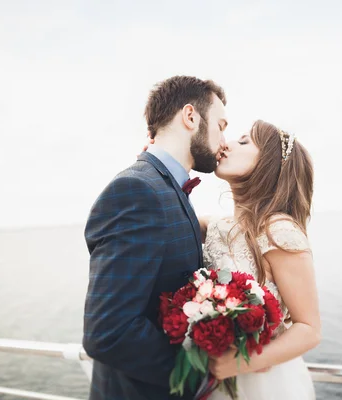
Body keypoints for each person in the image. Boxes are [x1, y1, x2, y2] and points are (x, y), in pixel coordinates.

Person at [83, 75, 228, 400]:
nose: (224, 141)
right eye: (221, 125)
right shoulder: (137, 190)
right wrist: (197, 374)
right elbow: (108, 332)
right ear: (190, 117)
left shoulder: (166, 187)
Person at [201, 120, 320, 399]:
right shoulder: (218, 226)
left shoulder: (279, 230)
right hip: (217, 381)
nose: (226, 143)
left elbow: (309, 329)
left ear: (268, 164)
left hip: (266, 385)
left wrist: (240, 362)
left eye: (244, 142)